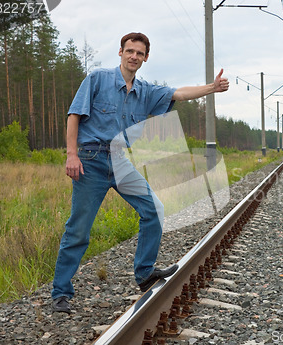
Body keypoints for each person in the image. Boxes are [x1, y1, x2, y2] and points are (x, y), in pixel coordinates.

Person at [51, 32, 229, 314]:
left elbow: (179, 93)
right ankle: (61, 292)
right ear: (120, 52)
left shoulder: (146, 91)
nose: (134, 56)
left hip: (120, 161)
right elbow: (74, 116)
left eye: (139, 53)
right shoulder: (97, 79)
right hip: (91, 160)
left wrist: (212, 87)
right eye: (129, 51)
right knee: (79, 230)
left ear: (145, 58)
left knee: (153, 209)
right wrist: (71, 155)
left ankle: (144, 273)